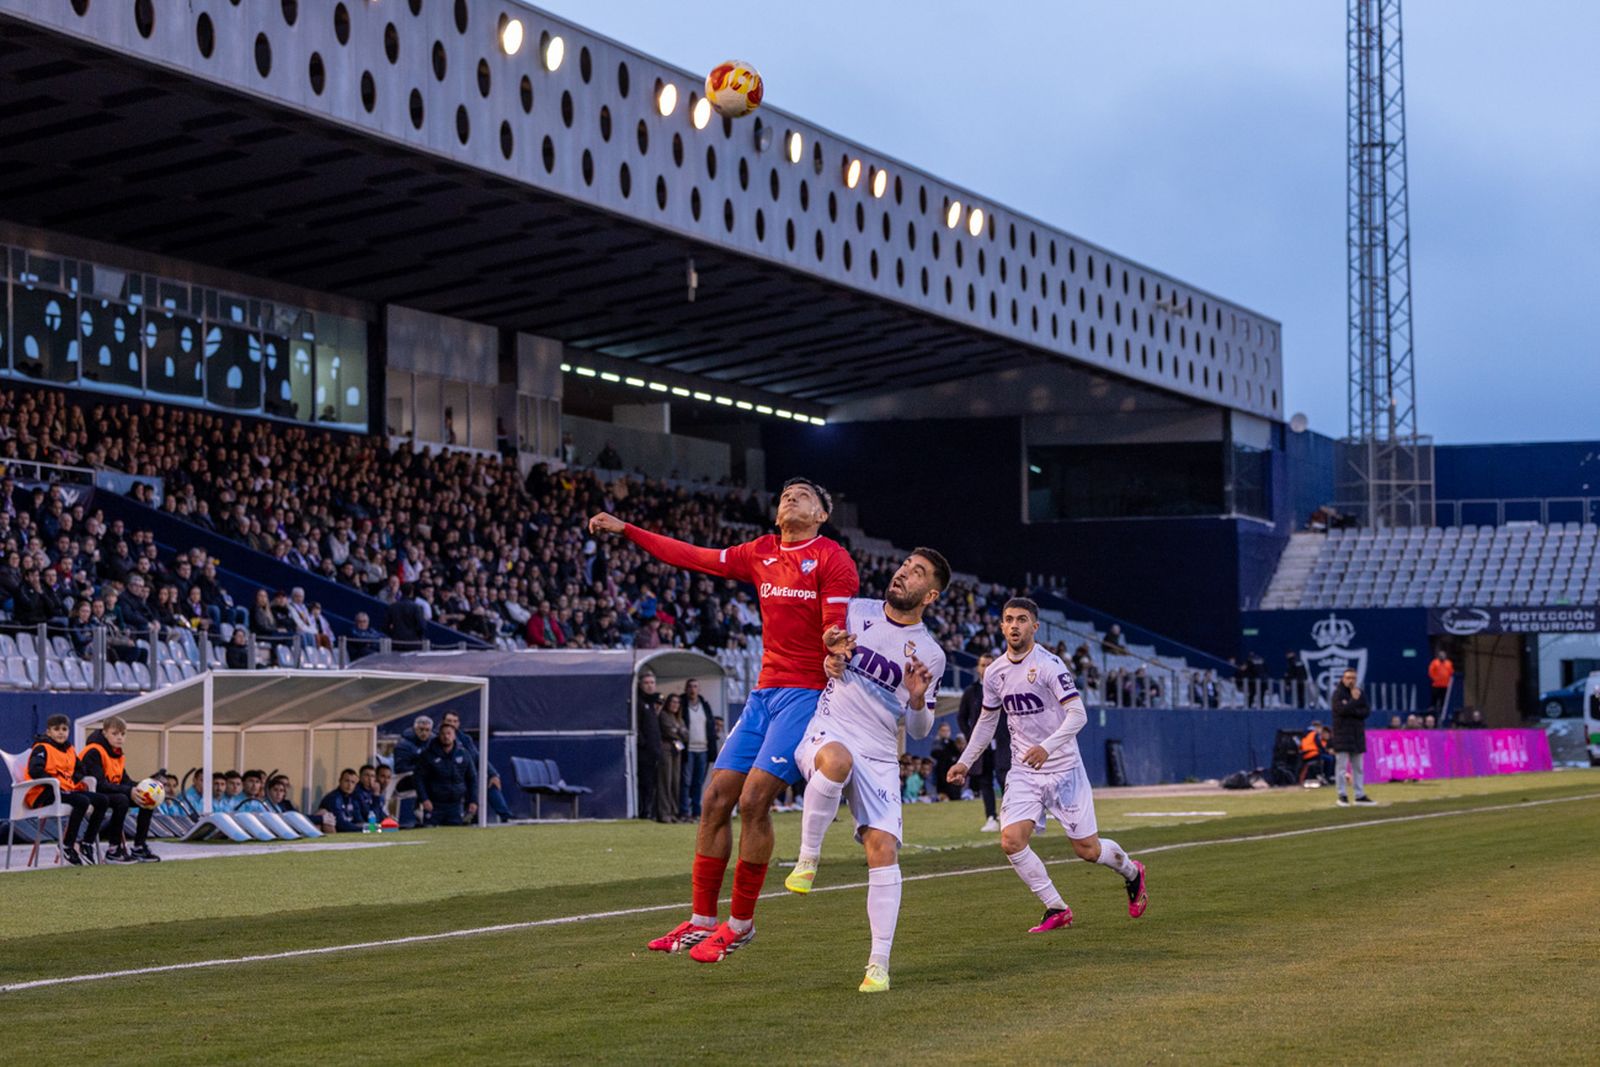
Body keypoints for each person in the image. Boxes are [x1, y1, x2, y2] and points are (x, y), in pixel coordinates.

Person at [589, 475, 858, 962]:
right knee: (714, 798)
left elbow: (834, 623)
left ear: (821, 515)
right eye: (784, 495)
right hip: (763, 695)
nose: (790, 497)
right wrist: (626, 529)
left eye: (803, 495)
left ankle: (741, 924)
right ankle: (700, 921)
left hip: (806, 695)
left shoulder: (833, 558)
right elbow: (690, 554)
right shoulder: (758, 552)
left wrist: (835, 645)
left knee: (755, 800)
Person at [783, 549, 948, 992]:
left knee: (884, 850)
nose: (903, 573)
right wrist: (829, 660)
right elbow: (828, 653)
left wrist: (915, 698)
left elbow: (917, 729)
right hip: (832, 724)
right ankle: (808, 858)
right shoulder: (854, 610)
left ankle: (878, 966)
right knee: (837, 762)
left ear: (929, 595)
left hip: (879, 751)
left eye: (917, 573)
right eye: (904, 565)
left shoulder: (930, 652)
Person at [948, 598, 1148, 933]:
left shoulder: (1050, 665)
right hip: (1025, 769)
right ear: (1000, 626)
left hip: (1064, 768)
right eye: (1008, 619)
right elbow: (985, 722)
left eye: (1022, 620)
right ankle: (1056, 907)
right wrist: (964, 762)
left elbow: (1078, 714)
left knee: (1087, 850)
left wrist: (1047, 746)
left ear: (1034, 626)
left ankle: (1132, 871)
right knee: (1011, 840)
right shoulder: (995, 672)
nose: (1014, 625)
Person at [24, 713, 107, 866]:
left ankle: (86, 843)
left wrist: (72, 780)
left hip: (65, 790)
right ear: (49, 732)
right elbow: (35, 770)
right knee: (82, 801)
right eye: (56, 729)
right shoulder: (41, 748)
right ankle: (67, 846)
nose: (61, 732)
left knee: (102, 800)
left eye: (64, 729)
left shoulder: (69, 749)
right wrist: (56, 782)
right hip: (44, 793)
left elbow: (80, 769)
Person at [78, 715, 160, 862]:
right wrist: (129, 791)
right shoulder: (94, 751)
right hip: (92, 794)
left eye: (123, 734)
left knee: (148, 798)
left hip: (110, 792)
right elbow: (100, 784)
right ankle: (113, 849)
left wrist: (144, 786)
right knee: (122, 800)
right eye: (114, 733)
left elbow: (124, 780)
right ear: (104, 733)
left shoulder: (117, 753)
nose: (119, 738)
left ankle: (139, 847)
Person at [958, 653, 1007, 832]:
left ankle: (1011, 815)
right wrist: (972, 738)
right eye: (983, 665)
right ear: (978, 668)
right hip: (982, 748)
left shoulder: (1004, 688)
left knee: (1006, 779)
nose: (986, 668)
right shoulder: (972, 692)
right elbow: (962, 717)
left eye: (989, 664)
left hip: (1002, 743)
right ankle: (991, 818)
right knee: (985, 782)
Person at [440, 711, 513, 822]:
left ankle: (506, 817)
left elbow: (478, 757)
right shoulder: (438, 738)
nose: (452, 724)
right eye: (449, 721)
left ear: (458, 723)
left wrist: (493, 774)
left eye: (455, 721)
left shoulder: (465, 739)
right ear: (443, 722)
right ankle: (469, 816)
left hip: (467, 776)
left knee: (490, 783)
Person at [414, 721, 478, 826]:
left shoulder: (464, 754)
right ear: (439, 735)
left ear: (454, 736)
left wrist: (473, 800)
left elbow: (472, 778)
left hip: (456, 805)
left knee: (455, 835)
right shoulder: (428, 755)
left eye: (449, 733)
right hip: (434, 804)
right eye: (443, 734)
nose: (446, 736)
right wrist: (424, 799)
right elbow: (418, 778)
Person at [1330, 667, 1375, 806]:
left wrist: (1352, 708)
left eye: (1353, 678)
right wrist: (1354, 703)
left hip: (1356, 735)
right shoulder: (1338, 694)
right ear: (1343, 679)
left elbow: (1366, 712)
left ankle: (1359, 795)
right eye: (1348, 678)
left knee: (1358, 767)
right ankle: (1342, 795)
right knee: (1341, 767)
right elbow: (1341, 711)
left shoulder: (1360, 693)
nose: (1351, 680)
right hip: (1342, 735)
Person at [679, 678, 721, 820]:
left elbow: (709, 727)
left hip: (703, 748)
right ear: (686, 689)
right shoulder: (682, 705)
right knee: (686, 782)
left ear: (699, 689)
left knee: (698, 782)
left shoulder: (704, 706)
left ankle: (696, 811)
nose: (692, 689)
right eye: (690, 686)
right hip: (688, 748)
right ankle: (684, 811)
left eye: (695, 686)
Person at [634, 670, 663, 820]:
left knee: (652, 784)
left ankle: (649, 811)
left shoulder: (652, 704)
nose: (650, 686)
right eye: (646, 683)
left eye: (652, 683)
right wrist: (643, 743)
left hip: (654, 752)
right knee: (644, 783)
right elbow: (636, 727)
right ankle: (643, 812)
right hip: (644, 753)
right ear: (639, 685)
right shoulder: (638, 702)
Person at [657, 692, 688, 824]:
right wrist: (678, 731)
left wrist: (677, 731)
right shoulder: (664, 716)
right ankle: (664, 813)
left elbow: (686, 735)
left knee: (675, 782)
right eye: (673, 702)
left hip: (677, 751)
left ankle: (674, 812)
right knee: (665, 781)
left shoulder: (679, 719)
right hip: (666, 750)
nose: (675, 705)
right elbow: (668, 731)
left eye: (678, 702)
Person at [315, 768, 366, 832]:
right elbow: (340, 824)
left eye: (353, 782)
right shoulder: (334, 798)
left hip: (348, 830)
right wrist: (363, 829)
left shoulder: (353, 798)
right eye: (347, 781)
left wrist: (369, 827)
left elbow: (359, 820)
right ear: (340, 781)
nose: (349, 785)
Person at [930, 721, 963, 801]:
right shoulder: (936, 745)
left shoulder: (952, 744)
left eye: (947, 731)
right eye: (943, 730)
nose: (945, 733)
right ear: (939, 732)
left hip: (953, 774)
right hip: (941, 776)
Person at [1298, 720, 1334, 785]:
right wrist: (1327, 752)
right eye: (1319, 728)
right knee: (1329, 759)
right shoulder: (1314, 734)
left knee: (1326, 758)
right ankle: (1326, 777)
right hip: (1312, 754)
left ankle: (1325, 776)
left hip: (1305, 754)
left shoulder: (1306, 734)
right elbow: (1319, 745)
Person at [1428, 650, 1454, 716]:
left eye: (1443, 655)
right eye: (1441, 655)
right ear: (1438, 656)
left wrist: (1449, 680)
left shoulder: (1449, 663)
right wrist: (1435, 678)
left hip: (1445, 685)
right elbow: (1431, 671)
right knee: (1435, 696)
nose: (1442, 656)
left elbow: (1451, 672)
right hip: (1436, 684)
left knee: (1443, 698)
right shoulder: (1434, 662)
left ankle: (1443, 709)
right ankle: (1432, 707)